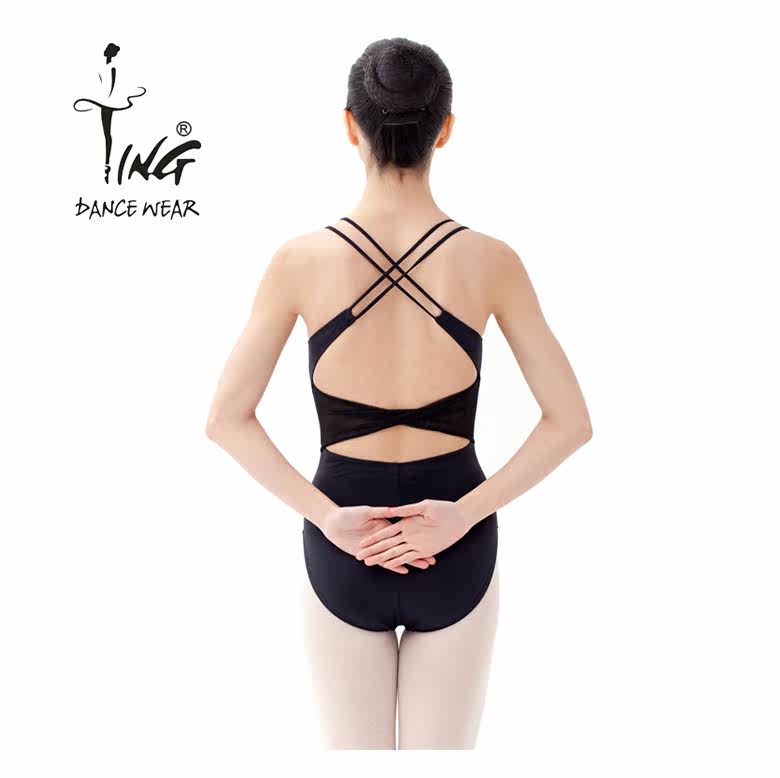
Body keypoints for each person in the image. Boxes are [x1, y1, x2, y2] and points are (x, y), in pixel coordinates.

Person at [205, 36, 592, 750]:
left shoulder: (300, 261)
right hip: (458, 539)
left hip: (343, 539)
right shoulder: (491, 261)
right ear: (445, 130)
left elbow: (226, 419)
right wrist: (460, 516)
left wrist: (328, 518)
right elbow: (570, 422)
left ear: (350, 126)